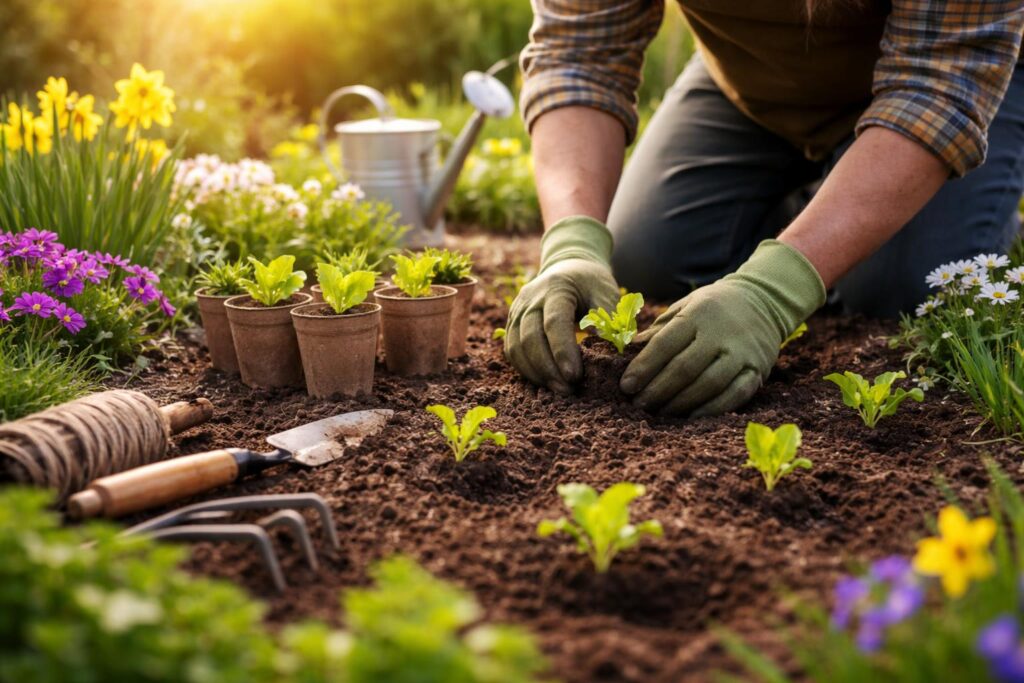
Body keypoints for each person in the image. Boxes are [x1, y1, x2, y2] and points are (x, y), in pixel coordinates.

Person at [504, 0, 1024, 417]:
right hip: (750, 80)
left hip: (950, 72)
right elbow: (578, 55)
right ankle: (824, 210)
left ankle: (889, 210)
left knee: (899, 287)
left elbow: (937, 87)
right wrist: (572, 245)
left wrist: (772, 291)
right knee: (648, 257)